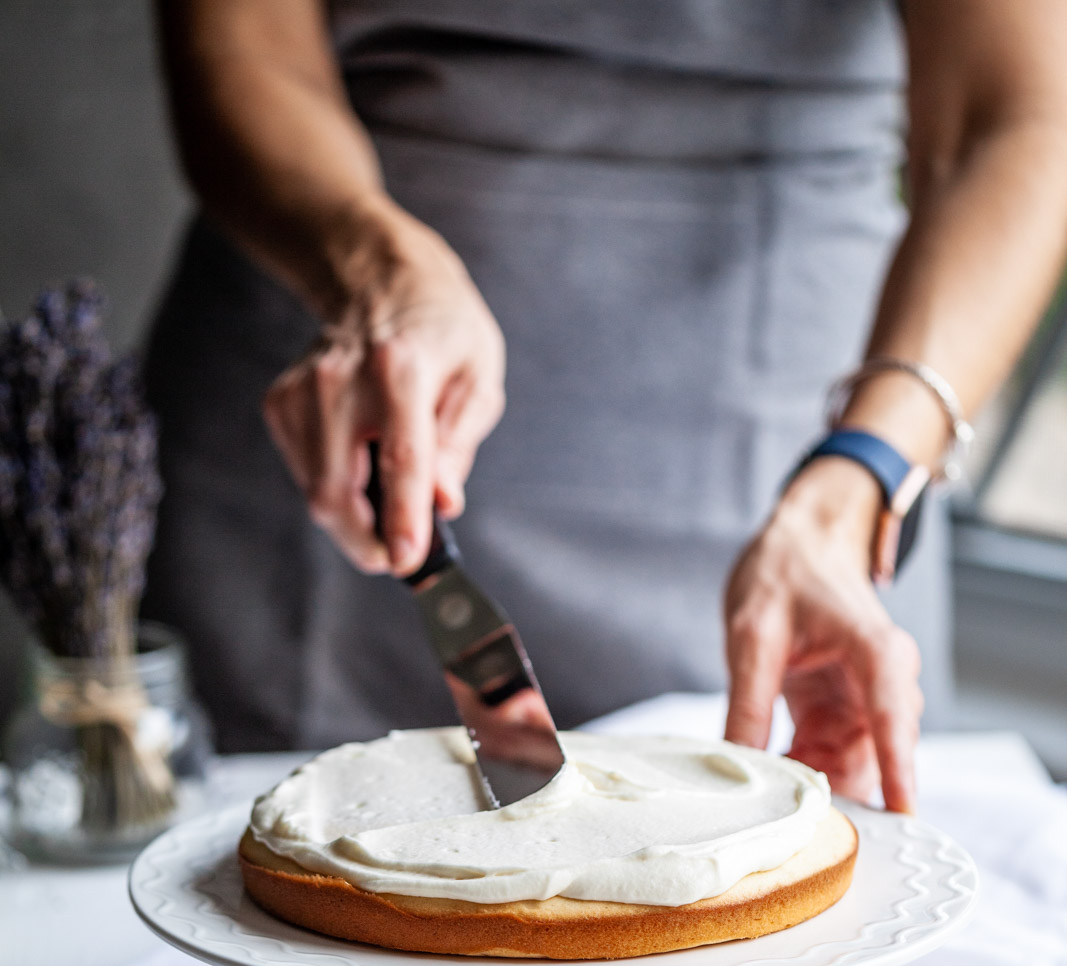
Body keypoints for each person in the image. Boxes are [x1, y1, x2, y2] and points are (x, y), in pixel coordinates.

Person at [146, 0, 1067, 814]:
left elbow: (1019, 118)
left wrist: (865, 470)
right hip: (353, 408)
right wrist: (373, 269)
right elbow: (243, 49)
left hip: (800, 464)